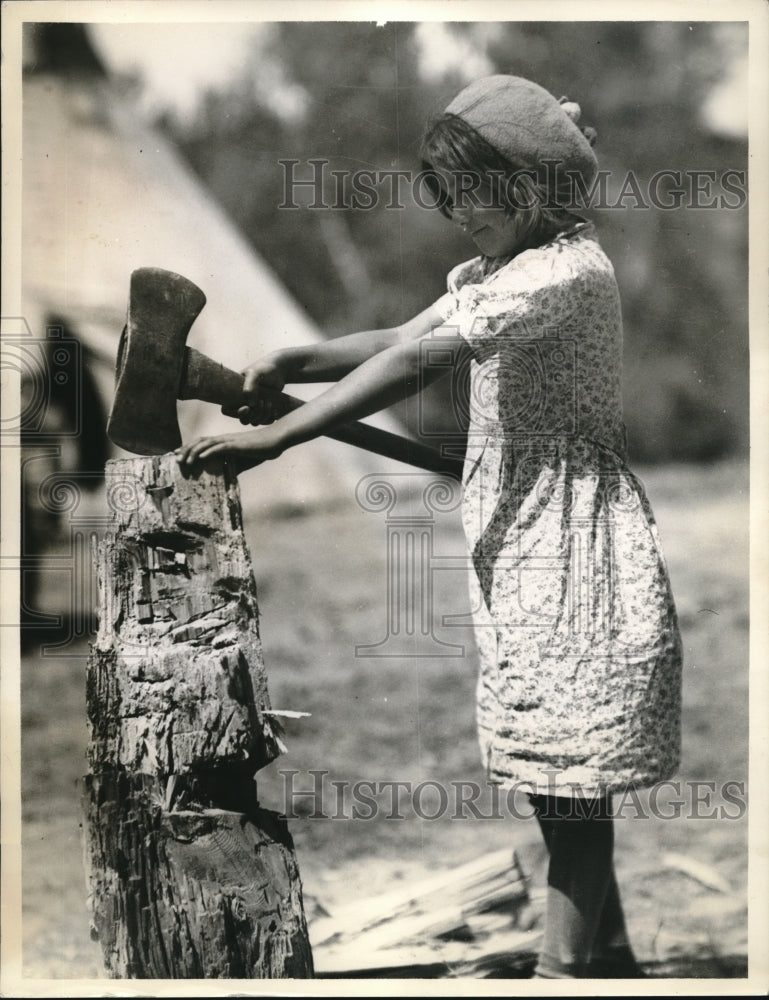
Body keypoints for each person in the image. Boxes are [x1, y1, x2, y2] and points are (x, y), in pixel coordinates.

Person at [176, 75, 683, 979]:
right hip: (521, 539)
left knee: (570, 780)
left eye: (469, 197)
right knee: (550, 771)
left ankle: (565, 972)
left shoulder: (564, 273)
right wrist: (296, 359)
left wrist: (285, 436)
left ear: (527, 188)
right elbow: (402, 332)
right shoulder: (503, 269)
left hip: (570, 545)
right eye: (445, 200)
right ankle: (609, 957)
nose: (456, 216)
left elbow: (418, 361)